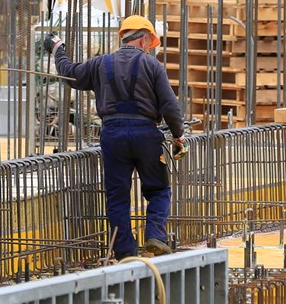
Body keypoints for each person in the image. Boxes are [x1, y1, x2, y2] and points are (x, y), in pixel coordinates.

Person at [44, 15, 185, 260]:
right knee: (159, 190)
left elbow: (68, 73)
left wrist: (58, 48)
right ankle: (155, 236)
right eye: (150, 43)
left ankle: (125, 252)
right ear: (143, 40)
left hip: (112, 135)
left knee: (117, 195)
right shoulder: (153, 66)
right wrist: (178, 135)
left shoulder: (101, 64)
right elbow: (170, 105)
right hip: (146, 133)